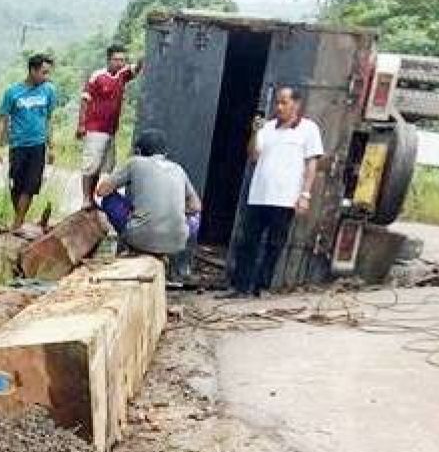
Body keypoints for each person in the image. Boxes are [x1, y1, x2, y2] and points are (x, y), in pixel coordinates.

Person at [220, 86, 324, 298]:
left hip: (285, 198)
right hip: (259, 195)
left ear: (296, 104)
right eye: (277, 102)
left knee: (274, 244)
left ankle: (262, 287)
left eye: (284, 103)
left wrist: (305, 195)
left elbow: (311, 164)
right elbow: (253, 155)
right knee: (248, 241)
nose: (279, 107)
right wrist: (255, 131)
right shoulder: (268, 127)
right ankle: (241, 287)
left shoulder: (308, 128)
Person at [95, 129, 201, 262]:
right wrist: (173, 211)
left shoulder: (135, 162)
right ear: (165, 153)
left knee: (108, 199)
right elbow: (196, 206)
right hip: (177, 243)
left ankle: (133, 244)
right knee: (196, 218)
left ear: (138, 151)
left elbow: (101, 191)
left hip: (138, 239)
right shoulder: (178, 169)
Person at [0, 54, 57, 232]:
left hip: (38, 145)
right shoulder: (12, 92)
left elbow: (49, 119)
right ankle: (18, 219)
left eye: (48, 73)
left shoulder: (49, 91)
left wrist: (52, 147)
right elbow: (2, 120)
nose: (46, 77)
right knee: (17, 184)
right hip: (18, 145)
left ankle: (18, 222)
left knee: (31, 184)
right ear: (32, 70)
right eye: (43, 72)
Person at [77, 43, 143, 209]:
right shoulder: (97, 76)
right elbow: (85, 100)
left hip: (111, 130)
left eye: (122, 60)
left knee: (104, 166)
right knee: (90, 165)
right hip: (95, 128)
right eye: (116, 59)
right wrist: (81, 124)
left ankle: (91, 199)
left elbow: (139, 67)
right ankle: (86, 198)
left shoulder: (122, 75)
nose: (120, 63)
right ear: (108, 59)